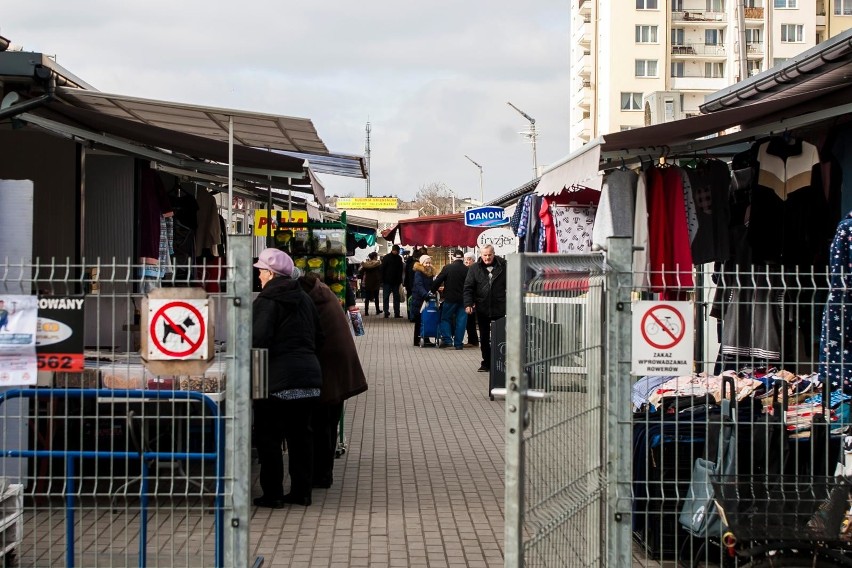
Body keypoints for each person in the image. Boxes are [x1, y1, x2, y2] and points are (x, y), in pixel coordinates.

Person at [252, 248, 324, 508]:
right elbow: (319, 336)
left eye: (260, 271)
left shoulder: (266, 300)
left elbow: (258, 341)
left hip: (277, 379)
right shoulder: (304, 298)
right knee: (301, 436)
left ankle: (272, 494)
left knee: (269, 436)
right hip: (309, 376)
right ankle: (301, 492)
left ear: (271, 273)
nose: (258, 276)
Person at [297, 272, 368, 489]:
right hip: (337, 368)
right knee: (329, 421)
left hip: (328, 370)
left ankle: (321, 475)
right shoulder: (325, 295)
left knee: (322, 423)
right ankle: (323, 474)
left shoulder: (313, 301)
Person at [463, 244, 506, 372]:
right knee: (484, 337)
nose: (487, 258)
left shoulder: (504, 266)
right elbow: (468, 287)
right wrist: (468, 304)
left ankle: (500, 363)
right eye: (485, 255)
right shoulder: (475, 268)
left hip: (500, 307)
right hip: (482, 307)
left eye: (489, 255)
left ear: (494, 253)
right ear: (480, 255)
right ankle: (486, 363)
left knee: (500, 337)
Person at [431, 249, 468, 350]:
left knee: (445, 318)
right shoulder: (467, 269)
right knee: (461, 321)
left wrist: (432, 290)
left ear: (453, 257)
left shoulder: (447, 268)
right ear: (463, 258)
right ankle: (459, 344)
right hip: (464, 300)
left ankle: (448, 341)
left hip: (450, 299)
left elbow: (438, 280)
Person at [410, 254, 436, 347]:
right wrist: (425, 295)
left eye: (429, 263)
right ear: (422, 263)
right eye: (426, 263)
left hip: (426, 298)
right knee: (419, 320)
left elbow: (431, 285)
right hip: (419, 299)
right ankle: (416, 340)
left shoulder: (430, 272)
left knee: (427, 319)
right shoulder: (418, 272)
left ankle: (426, 338)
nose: (428, 264)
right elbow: (418, 285)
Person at [380, 245, 404, 318]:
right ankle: (388, 312)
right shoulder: (388, 258)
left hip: (393, 282)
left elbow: (400, 271)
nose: (397, 252)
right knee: (389, 297)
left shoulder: (397, 258)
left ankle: (393, 312)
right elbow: (382, 269)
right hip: (389, 281)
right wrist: (382, 280)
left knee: (392, 297)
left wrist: (400, 281)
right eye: (397, 251)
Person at [463, 252, 479, 348]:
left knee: (471, 321)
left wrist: (474, 301)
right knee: (470, 320)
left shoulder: (475, 270)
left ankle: (473, 341)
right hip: (469, 299)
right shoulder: (466, 270)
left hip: (474, 300)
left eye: (469, 259)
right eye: (466, 259)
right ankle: (472, 340)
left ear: (473, 260)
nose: (467, 261)